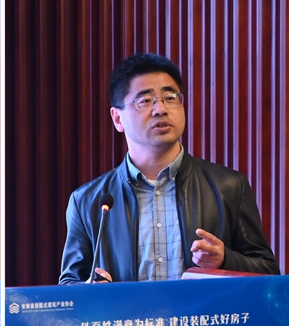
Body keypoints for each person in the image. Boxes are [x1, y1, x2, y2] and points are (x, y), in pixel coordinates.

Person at [59, 52, 279, 284]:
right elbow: (70, 283)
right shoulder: (88, 201)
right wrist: (91, 290)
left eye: (170, 97)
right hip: (125, 311)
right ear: (117, 119)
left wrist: (225, 260)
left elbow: (269, 273)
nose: (160, 109)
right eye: (145, 101)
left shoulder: (229, 187)